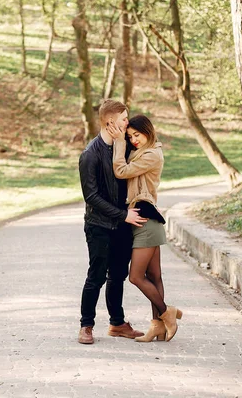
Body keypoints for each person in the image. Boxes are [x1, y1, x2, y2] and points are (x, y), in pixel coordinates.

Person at [77, 100, 148, 345]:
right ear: (110, 123)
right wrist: (123, 215)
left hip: (122, 226)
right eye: (124, 119)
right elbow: (91, 197)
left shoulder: (125, 147)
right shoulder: (90, 154)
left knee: (117, 275)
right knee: (96, 276)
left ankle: (117, 324)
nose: (128, 123)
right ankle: (86, 325)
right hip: (99, 226)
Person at [108, 114, 182, 342]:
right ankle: (157, 327)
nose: (133, 140)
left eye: (137, 135)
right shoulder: (141, 151)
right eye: (130, 136)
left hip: (146, 222)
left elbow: (121, 171)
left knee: (135, 277)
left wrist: (119, 142)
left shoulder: (151, 154)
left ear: (148, 131)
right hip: (146, 219)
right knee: (154, 275)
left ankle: (166, 312)